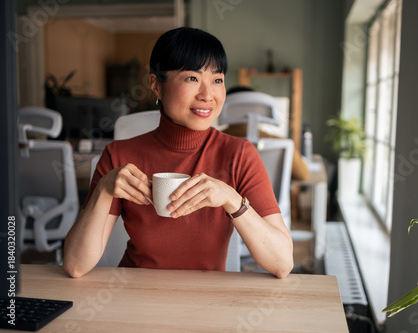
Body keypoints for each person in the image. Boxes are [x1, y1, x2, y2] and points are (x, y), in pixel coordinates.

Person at [63, 27, 294, 279]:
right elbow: (75, 265)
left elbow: (282, 263)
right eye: (192, 78)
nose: (207, 95)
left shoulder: (239, 154)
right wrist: (104, 189)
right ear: (156, 85)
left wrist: (230, 199)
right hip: (132, 297)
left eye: (217, 80)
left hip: (206, 302)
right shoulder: (118, 156)